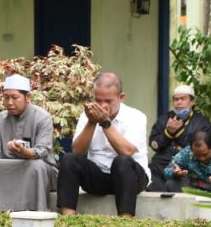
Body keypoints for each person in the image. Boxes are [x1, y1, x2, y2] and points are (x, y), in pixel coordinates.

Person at [56, 72, 149, 217]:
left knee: (122, 161)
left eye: (108, 101)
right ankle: (68, 217)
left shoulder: (136, 117)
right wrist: (91, 122)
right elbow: (77, 151)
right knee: (69, 159)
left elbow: (126, 151)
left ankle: (125, 221)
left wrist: (105, 122)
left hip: (131, 178)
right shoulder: (86, 116)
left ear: (121, 98)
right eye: (98, 100)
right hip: (99, 177)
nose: (102, 106)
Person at [0, 75, 58, 211]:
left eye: (14, 97)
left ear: (27, 97)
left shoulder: (42, 117)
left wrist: (26, 152)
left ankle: (35, 210)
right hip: (9, 168)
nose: (9, 102)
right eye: (6, 97)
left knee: (36, 166)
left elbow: (43, 150)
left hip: (39, 168)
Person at [147, 84, 211, 192]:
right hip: (160, 167)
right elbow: (154, 144)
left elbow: (200, 148)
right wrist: (168, 133)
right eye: (176, 99)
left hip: (187, 167)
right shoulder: (164, 119)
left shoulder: (202, 122)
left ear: (192, 102)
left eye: (183, 99)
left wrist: (177, 132)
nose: (178, 102)